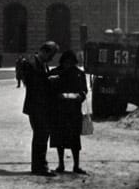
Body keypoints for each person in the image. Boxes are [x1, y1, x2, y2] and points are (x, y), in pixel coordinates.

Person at [17, 41, 58, 176]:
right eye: (51, 55)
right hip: (36, 106)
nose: (51, 59)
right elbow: (33, 84)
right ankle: (39, 167)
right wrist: (49, 80)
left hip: (41, 106)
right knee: (41, 135)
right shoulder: (31, 63)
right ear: (44, 51)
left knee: (42, 135)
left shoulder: (40, 63)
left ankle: (40, 165)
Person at [49, 50, 88, 174]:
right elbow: (49, 90)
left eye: (70, 62)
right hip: (59, 111)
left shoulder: (79, 74)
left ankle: (76, 165)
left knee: (75, 140)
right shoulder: (55, 73)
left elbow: (84, 91)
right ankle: (61, 164)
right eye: (66, 62)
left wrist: (78, 96)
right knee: (59, 140)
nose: (68, 64)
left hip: (73, 111)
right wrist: (57, 96)